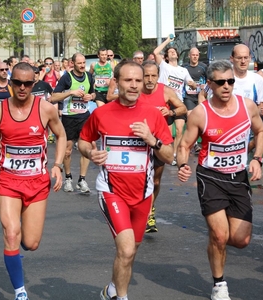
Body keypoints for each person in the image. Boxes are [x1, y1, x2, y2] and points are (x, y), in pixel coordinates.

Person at [78, 59, 174, 300]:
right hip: (112, 192)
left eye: (138, 81)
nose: (133, 85)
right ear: (117, 82)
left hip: (143, 194)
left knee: (131, 251)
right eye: (128, 80)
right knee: (127, 249)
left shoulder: (153, 115)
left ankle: (111, 289)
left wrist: (153, 141)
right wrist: (91, 152)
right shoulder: (102, 113)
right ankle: (121, 297)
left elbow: (170, 156)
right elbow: (83, 140)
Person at [177, 60, 263, 300]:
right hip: (211, 177)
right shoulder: (200, 113)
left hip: (238, 178)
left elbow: (261, 131)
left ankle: (217, 241)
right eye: (221, 82)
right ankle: (219, 284)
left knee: (241, 240)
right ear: (210, 84)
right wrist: (183, 164)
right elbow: (184, 145)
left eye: (230, 81)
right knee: (219, 236)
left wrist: (257, 158)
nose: (227, 86)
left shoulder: (247, 107)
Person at [0, 62, 67, 300]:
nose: (22, 87)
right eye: (17, 82)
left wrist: (57, 166)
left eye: (28, 83)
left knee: (31, 242)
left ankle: (18, 249)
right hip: (7, 181)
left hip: (37, 183)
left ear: (34, 83)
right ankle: (20, 292)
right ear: (11, 81)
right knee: (11, 232)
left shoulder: (46, 109)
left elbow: (61, 135)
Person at [139, 60, 187, 233]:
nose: (150, 79)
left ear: (158, 76)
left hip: (160, 142)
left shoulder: (166, 91)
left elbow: (183, 108)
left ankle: (150, 211)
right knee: (139, 179)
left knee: (155, 180)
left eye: (153, 75)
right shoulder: (136, 91)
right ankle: (139, 210)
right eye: (146, 76)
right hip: (139, 142)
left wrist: (170, 112)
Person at [51, 53, 96, 193]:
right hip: (69, 117)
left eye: (84, 63)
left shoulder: (89, 76)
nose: (82, 65)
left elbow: (94, 93)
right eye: (79, 63)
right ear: (73, 63)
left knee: (85, 148)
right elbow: (53, 97)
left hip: (84, 116)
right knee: (68, 151)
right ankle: (68, 177)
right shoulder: (66, 78)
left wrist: (91, 96)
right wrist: (70, 92)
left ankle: (82, 180)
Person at [154, 35, 197, 165]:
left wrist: (192, 84)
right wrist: (168, 41)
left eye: (174, 51)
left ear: (177, 55)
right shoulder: (164, 66)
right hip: (166, 102)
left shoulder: (183, 70)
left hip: (178, 103)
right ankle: (166, 152)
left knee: (179, 130)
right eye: (170, 52)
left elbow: (191, 83)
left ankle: (174, 154)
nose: (173, 52)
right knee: (167, 131)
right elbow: (156, 52)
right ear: (166, 57)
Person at [183, 47, 208, 153]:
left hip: (200, 96)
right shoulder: (184, 68)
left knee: (201, 118)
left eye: (197, 55)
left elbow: (209, 80)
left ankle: (204, 140)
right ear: (189, 56)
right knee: (190, 116)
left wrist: (204, 86)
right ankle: (195, 144)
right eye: (193, 55)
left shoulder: (203, 67)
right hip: (189, 96)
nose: (195, 57)